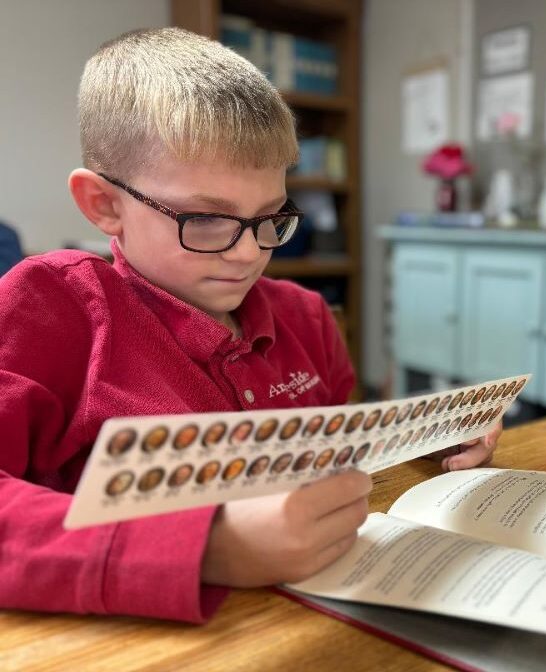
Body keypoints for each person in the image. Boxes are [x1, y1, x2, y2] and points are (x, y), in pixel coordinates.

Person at [0, 27, 501, 624]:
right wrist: (206, 545)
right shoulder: (54, 307)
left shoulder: (305, 318)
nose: (247, 255)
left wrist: (421, 438)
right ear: (105, 204)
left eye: (270, 218)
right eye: (207, 220)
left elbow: (341, 447)